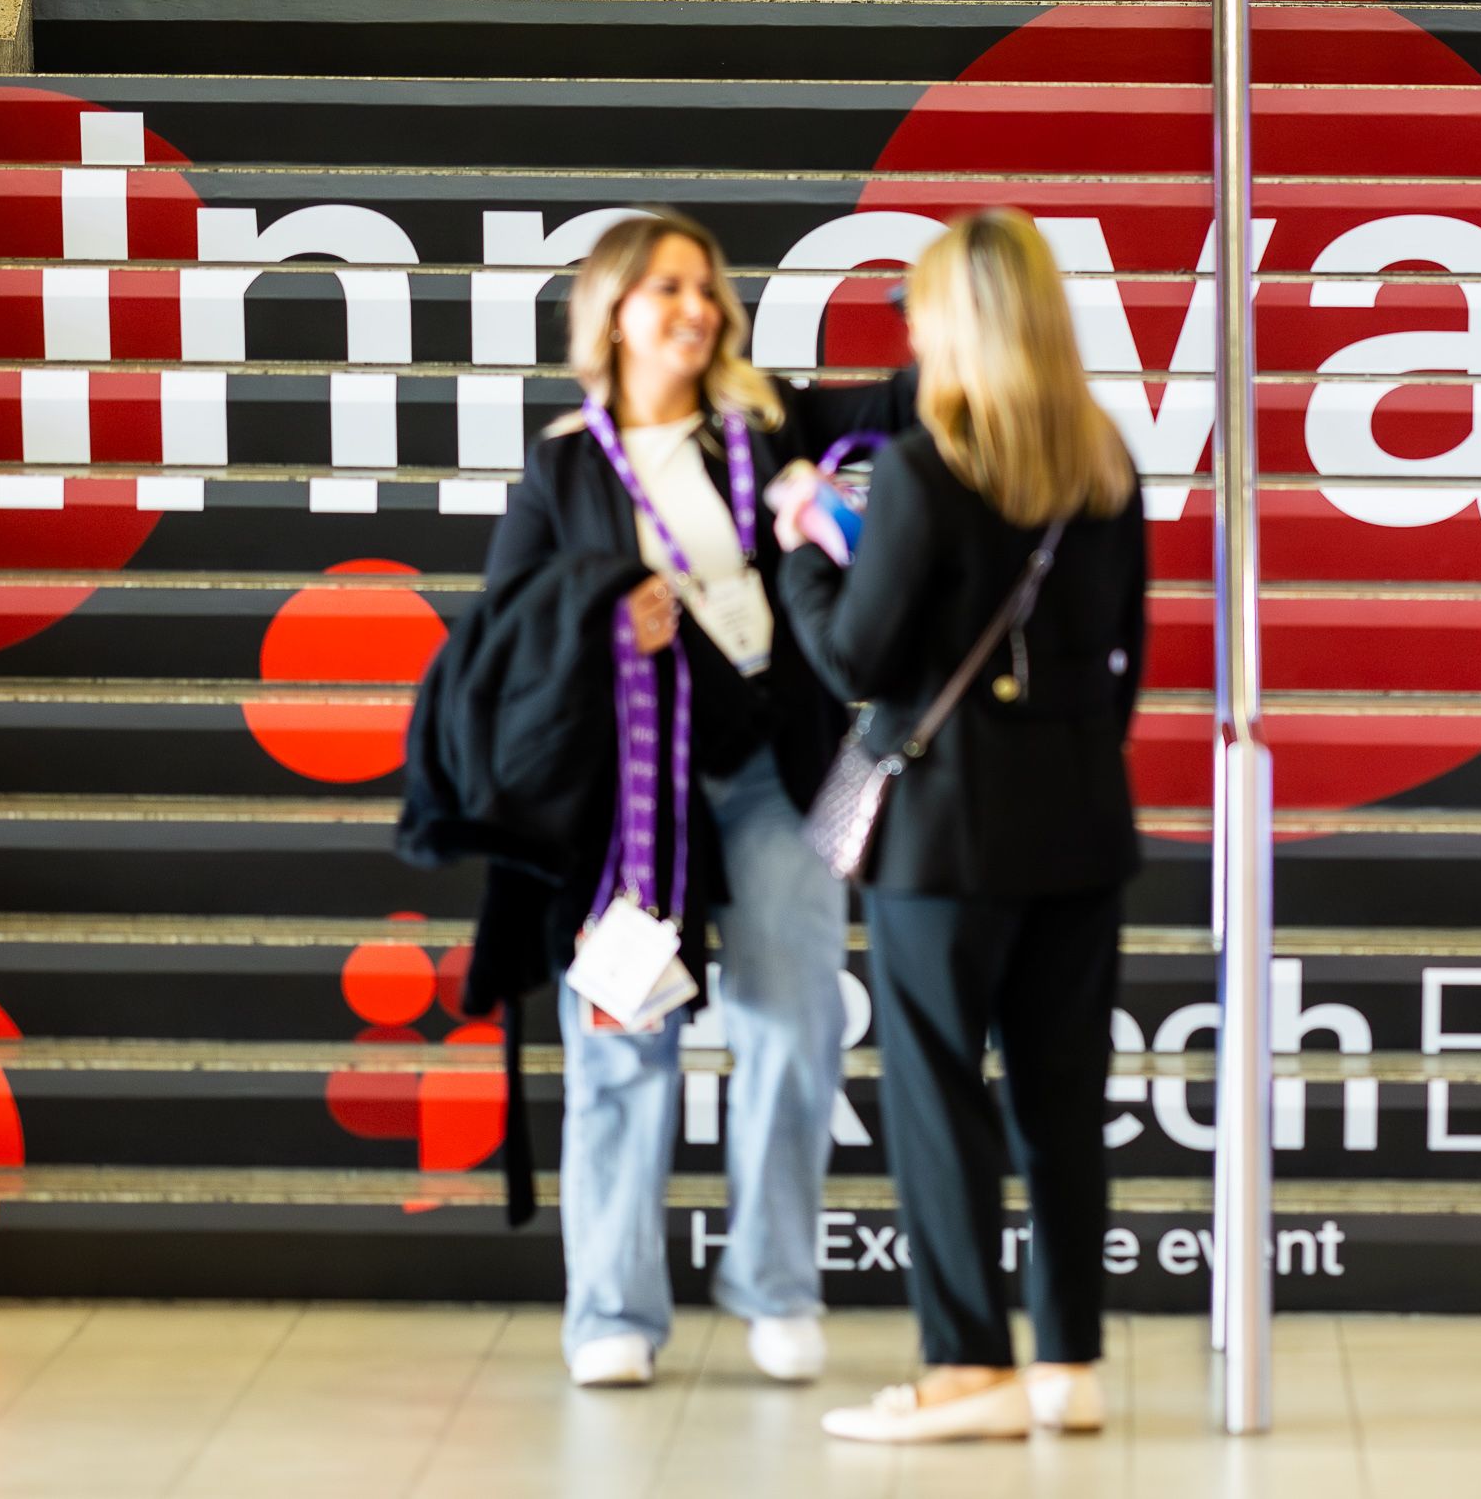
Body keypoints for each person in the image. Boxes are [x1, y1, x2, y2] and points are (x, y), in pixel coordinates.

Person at [445, 211, 891, 1392]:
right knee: (621, 1042)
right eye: (668, 289)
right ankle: (611, 1311)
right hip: (632, 800)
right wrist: (598, 616)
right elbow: (504, 628)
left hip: (775, 772)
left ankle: (778, 1289)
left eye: (707, 288)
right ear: (613, 311)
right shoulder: (564, 462)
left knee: (795, 1028)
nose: (696, 307)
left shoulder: (768, 418)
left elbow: (896, 409)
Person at [773, 210, 1148, 1446]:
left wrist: (802, 554)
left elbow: (858, 658)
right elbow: (1124, 665)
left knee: (940, 1093)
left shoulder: (931, 467)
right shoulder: (1102, 462)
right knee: (1061, 1099)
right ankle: (1071, 1362)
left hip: (946, 833)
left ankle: (966, 1368)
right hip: (1086, 821)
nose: (911, 332)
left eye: (919, 310)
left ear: (958, 323)